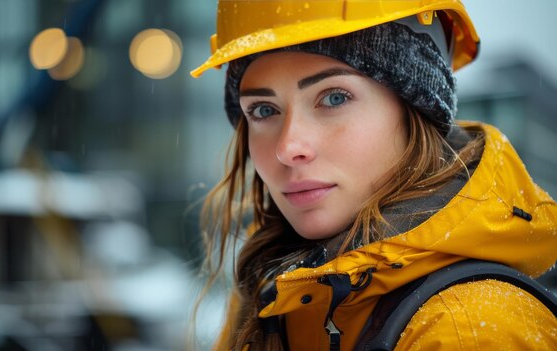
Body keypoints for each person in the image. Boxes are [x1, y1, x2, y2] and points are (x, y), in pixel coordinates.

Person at [190, 1, 557, 350]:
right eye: (264, 109)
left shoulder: (469, 330)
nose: (288, 147)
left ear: (415, 110)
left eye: (334, 98)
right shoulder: (273, 289)